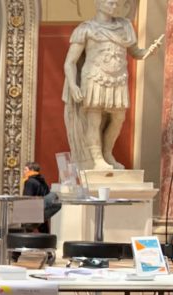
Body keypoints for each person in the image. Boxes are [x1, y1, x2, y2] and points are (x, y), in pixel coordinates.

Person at [63, 0, 163, 170]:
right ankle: (97, 159)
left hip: (118, 78)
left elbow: (136, 52)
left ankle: (107, 153)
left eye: (117, 4)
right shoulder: (86, 29)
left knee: (118, 118)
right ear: (98, 4)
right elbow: (70, 62)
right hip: (94, 77)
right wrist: (73, 85)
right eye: (110, 3)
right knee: (94, 119)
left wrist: (149, 52)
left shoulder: (125, 27)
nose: (114, 7)